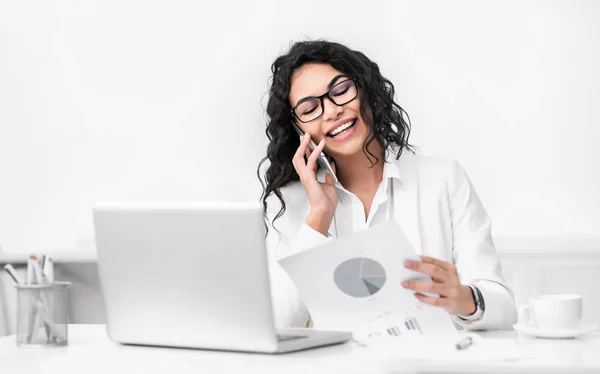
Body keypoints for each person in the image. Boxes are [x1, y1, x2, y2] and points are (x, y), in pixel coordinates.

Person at [257, 40, 517, 331]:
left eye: (341, 91)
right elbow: (275, 325)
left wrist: (464, 298)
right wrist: (318, 216)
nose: (331, 111)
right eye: (309, 109)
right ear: (299, 130)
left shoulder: (443, 178)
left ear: (366, 89)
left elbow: (504, 308)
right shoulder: (288, 204)